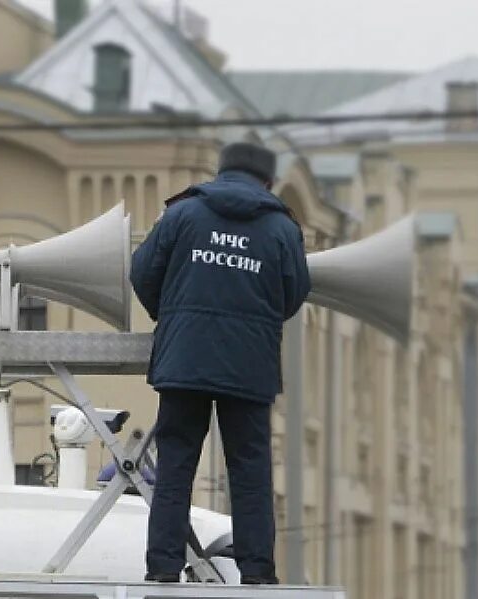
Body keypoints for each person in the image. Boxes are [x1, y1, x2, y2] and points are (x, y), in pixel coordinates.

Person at [129, 142, 310, 585]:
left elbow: (142, 271)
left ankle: (164, 567)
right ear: (268, 182)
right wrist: (257, 321)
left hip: (185, 357)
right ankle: (258, 574)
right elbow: (295, 292)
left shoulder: (183, 214)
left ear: (220, 172)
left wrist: (170, 315)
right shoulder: (282, 229)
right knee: (249, 469)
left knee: (176, 464)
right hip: (249, 364)